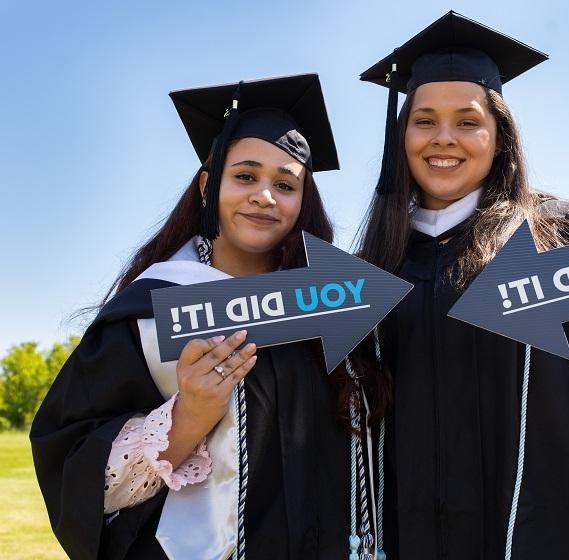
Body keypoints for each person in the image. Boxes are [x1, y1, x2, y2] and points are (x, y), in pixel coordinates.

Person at [356, 11, 569, 559]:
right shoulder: (372, 270)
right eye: (423, 120)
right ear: (400, 139)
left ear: (499, 137)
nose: (443, 138)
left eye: (468, 121)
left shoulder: (564, 234)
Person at [31, 74, 387, 560]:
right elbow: (83, 483)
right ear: (208, 184)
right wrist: (186, 418)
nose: (265, 196)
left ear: (303, 201)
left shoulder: (328, 304)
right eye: (245, 176)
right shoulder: (152, 308)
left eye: (286, 184)